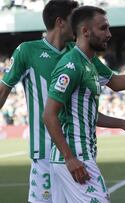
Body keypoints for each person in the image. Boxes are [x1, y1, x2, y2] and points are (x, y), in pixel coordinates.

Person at [42, 6, 125, 202]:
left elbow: (114, 85)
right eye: (103, 28)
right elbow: (49, 115)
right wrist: (70, 158)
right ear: (85, 31)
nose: (109, 34)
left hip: (76, 156)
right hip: (75, 156)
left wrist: (122, 123)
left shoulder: (91, 62)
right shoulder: (71, 65)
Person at [0, 1, 79, 202]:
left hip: (77, 152)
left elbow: (112, 80)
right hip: (45, 154)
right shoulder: (27, 51)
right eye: (74, 18)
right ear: (60, 22)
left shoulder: (78, 53)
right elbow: (2, 92)